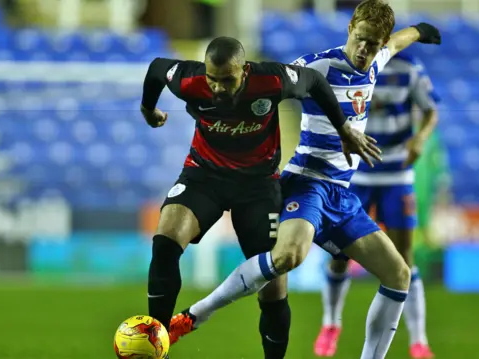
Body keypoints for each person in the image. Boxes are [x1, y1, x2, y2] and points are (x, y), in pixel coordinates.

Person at [168, 1, 442, 358]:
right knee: (288, 257)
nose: (365, 50)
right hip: (306, 182)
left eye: (373, 43)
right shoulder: (317, 65)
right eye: (360, 39)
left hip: (341, 196)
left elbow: (399, 42)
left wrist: (421, 30)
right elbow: (265, 78)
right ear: (349, 30)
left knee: (398, 276)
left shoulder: (377, 60)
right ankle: (194, 316)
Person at [141, 36, 379, 359]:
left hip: (257, 186)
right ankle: (156, 347)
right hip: (204, 175)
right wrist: (148, 108)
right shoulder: (189, 79)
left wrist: (343, 129)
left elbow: (314, 81)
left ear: (244, 70)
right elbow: (157, 69)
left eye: (227, 80)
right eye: (213, 80)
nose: (219, 88)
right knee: (166, 238)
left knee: (272, 287)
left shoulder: (271, 80)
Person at [315, 52, 440, 359]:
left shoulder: (409, 67)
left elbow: (430, 110)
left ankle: (419, 340)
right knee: (339, 255)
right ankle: (331, 323)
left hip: (397, 172)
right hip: (355, 174)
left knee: (405, 258)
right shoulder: (345, 68)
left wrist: (421, 138)